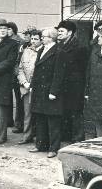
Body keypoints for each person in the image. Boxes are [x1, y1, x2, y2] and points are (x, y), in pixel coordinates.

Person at [29, 28, 66, 158]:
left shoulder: (59, 52)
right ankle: (41, 145)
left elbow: (59, 74)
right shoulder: (41, 50)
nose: (42, 38)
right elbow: (37, 70)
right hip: (40, 90)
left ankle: (53, 148)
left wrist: (54, 91)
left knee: (53, 121)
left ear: (51, 38)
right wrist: (33, 85)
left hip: (50, 91)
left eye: (44, 36)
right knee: (40, 119)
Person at [56, 20, 89, 143]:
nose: (59, 33)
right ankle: (67, 136)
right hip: (64, 85)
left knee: (76, 112)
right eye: (58, 31)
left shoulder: (80, 46)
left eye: (61, 31)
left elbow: (84, 68)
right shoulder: (59, 45)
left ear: (70, 32)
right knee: (65, 110)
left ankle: (77, 138)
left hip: (76, 85)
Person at [17, 29, 42, 145]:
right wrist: (24, 82)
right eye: (32, 38)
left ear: (41, 40)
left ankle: (40, 138)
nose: (33, 41)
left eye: (36, 39)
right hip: (27, 88)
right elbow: (20, 68)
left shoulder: (44, 51)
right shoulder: (26, 51)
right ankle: (26, 136)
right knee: (27, 113)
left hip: (39, 89)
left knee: (40, 115)